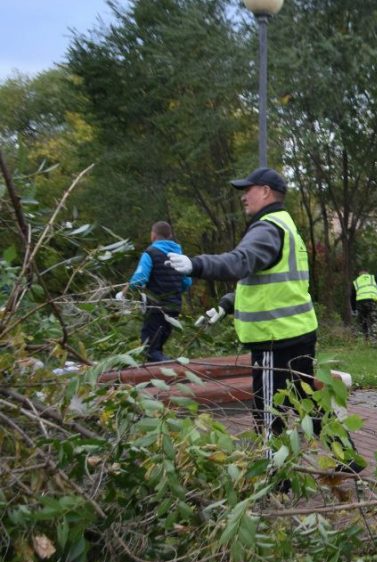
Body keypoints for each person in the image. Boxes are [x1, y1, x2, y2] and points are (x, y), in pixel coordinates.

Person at [164, 167, 361, 474]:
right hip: (296, 332)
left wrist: (196, 264)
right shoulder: (286, 226)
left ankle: (275, 479)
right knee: (307, 401)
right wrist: (227, 304)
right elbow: (267, 280)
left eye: (249, 189)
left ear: (266, 192)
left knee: (270, 413)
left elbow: (240, 262)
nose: (244, 196)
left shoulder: (266, 228)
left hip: (274, 339)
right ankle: (347, 455)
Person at [119, 221, 191, 362]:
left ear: (153, 235)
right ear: (169, 235)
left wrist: (124, 293)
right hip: (174, 308)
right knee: (157, 347)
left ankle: (171, 371)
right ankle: (166, 375)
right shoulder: (180, 256)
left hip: (156, 308)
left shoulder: (150, 253)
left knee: (149, 349)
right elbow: (187, 282)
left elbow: (139, 279)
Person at [350, 268, 377, 341]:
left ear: (359, 274)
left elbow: (352, 296)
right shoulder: (372, 278)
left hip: (360, 302)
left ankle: (365, 338)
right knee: (374, 319)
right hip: (372, 301)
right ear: (367, 272)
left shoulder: (356, 281)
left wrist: (353, 309)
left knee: (362, 320)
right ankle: (374, 340)